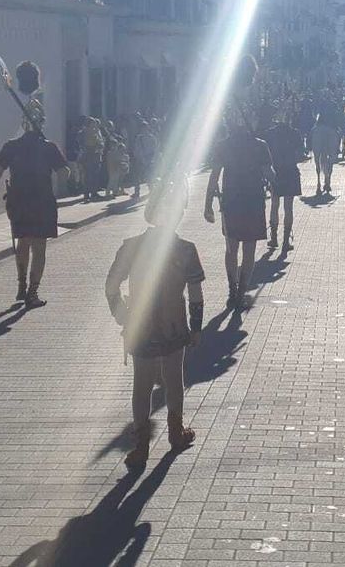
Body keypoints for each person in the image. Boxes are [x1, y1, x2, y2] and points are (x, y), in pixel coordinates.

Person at [105, 182, 204, 470]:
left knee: (142, 384)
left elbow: (111, 286)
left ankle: (141, 445)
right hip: (174, 324)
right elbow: (195, 293)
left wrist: (122, 314)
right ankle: (176, 432)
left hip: (141, 324)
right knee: (174, 378)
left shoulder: (131, 247)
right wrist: (196, 326)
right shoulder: (186, 250)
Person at [0, 62, 68, 309]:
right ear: (41, 123)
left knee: (23, 242)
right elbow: (64, 176)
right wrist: (68, 170)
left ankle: (20, 285)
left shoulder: (11, 146)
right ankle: (32, 292)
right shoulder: (49, 147)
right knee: (39, 248)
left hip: (19, 202)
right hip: (42, 202)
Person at [205, 116, 275, 310]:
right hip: (253, 202)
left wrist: (207, 204)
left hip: (231, 202)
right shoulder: (260, 146)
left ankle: (232, 289)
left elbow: (214, 176)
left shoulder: (223, 146)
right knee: (249, 250)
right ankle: (242, 290)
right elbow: (270, 174)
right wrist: (273, 180)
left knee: (231, 248)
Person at [262, 106, 305, 251]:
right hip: (291, 172)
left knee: (274, 205)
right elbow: (300, 155)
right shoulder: (295, 133)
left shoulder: (269, 134)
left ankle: (274, 238)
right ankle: (286, 241)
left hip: (275, 172)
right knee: (288, 208)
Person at [310, 109, 340, 196]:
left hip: (320, 126)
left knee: (311, 133)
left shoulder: (322, 107)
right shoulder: (332, 108)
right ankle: (328, 181)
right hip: (330, 127)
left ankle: (318, 183)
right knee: (338, 135)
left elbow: (319, 119)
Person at [131, 120, 160, 199]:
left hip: (147, 159)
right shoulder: (140, 138)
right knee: (140, 176)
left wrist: (153, 159)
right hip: (143, 159)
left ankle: (149, 190)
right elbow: (137, 149)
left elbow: (155, 149)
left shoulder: (151, 138)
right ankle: (139, 191)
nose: (144, 130)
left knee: (147, 176)